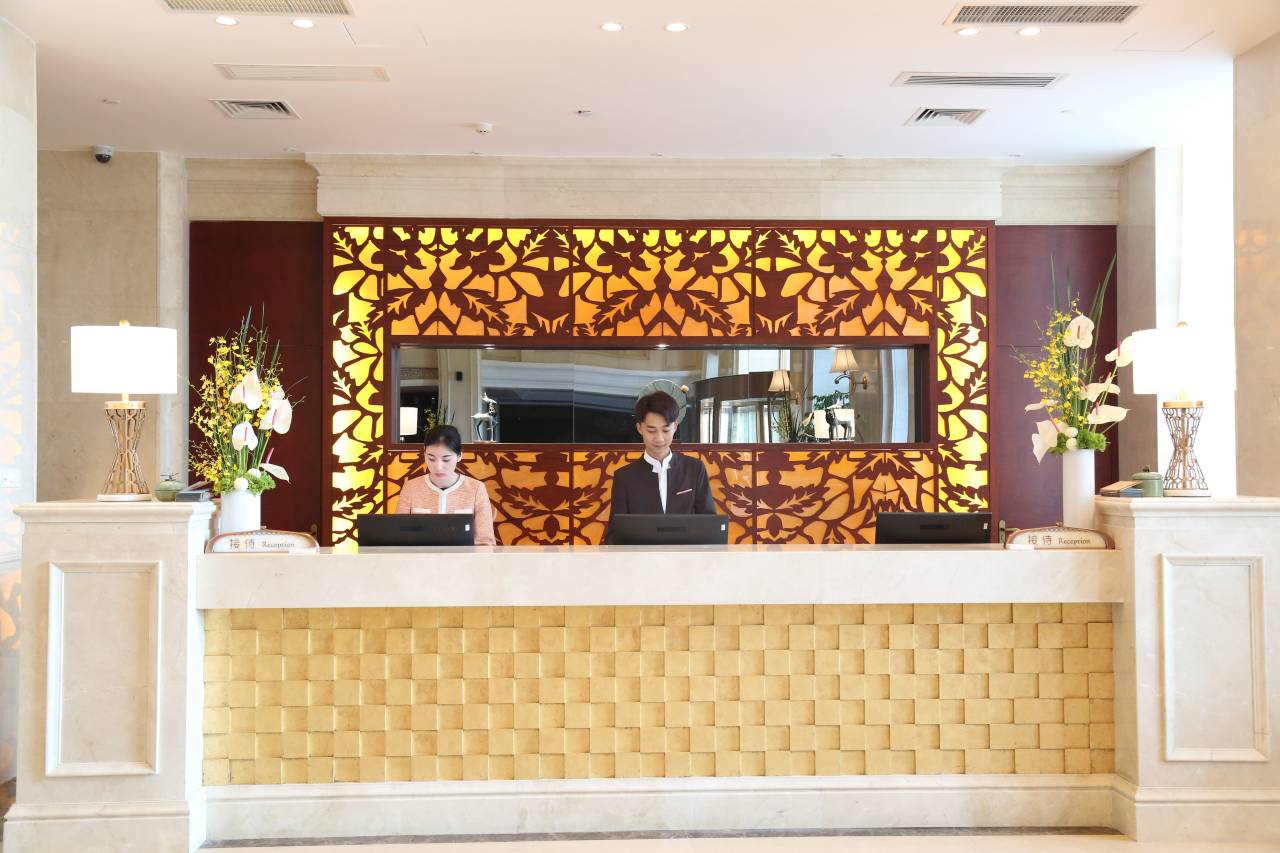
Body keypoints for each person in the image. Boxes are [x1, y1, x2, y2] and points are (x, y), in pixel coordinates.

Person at [607, 392, 716, 537]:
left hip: (686, 551)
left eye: (665, 430)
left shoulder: (695, 469)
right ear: (639, 428)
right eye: (651, 430)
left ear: (675, 427)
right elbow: (615, 535)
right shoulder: (624, 477)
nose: (659, 438)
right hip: (641, 551)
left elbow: (709, 526)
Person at [397, 424, 496, 545]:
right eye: (431, 458)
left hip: (464, 557)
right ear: (424, 455)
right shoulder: (411, 488)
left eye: (446, 459)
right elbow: (399, 537)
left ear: (459, 456)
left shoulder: (476, 489)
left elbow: (485, 543)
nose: (438, 467)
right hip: (420, 556)